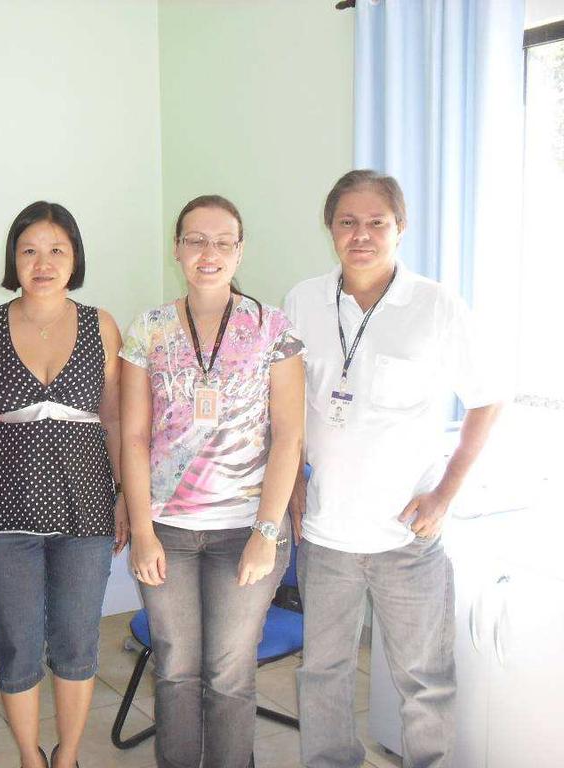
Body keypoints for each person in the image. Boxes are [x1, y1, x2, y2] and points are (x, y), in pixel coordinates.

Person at [284, 169, 503, 768]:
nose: (361, 235)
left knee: (424, 679)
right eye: (347, 222)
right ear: (330, 229)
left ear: (399, 227)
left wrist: (444, 494)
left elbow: (487, 397)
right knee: (322, 672)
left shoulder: (436, 305)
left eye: (376, 222)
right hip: (326, 533)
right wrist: (293, 483)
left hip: (408, 534)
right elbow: (288, 403)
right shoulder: (303, 300)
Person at [120, 195, 305, 768]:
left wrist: (267, 532)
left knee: (229, 671)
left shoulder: (273, 327)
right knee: (175, 668)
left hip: (246, 532)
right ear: (176, 248)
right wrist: (144, 531)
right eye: (196, 239)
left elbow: (289, 437)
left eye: (224, 241)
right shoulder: (148, 329)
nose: (210, 253)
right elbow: (131, 438)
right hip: (168, 531)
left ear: (240, 250)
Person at [0, 201, 128, 768]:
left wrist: (124, 498)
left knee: (77, 641)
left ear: (74, 257)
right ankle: (30, 756)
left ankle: (68, 755)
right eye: (29, 250)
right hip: (3, 511)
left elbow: (117, 419)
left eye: (56, 250)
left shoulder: (102, 325)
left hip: (87, 511)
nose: (43, 262)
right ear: (13, 259)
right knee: (16, 642)